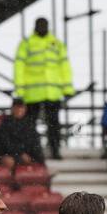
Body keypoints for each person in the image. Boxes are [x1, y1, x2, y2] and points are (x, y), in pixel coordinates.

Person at [12, 18, 73, 160]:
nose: (42, 27)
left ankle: (55, 150)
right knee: (30, 126)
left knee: (53, 125)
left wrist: (67, 87)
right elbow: (19, 66)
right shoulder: (27, 43)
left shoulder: (56, 43)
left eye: (44, 25)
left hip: (52, 93)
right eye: (40, 25)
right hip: (32, 94)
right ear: (35, 26)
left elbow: (65, 66)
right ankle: (33, 152)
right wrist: (20, 89)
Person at [0, 97, 45, 168]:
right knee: (9, 161)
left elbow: (34, 142)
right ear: (12, 109)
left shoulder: (29, 124)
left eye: (21, 108)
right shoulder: (6, 123)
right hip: (8, 154)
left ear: (25, 109)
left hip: (25, 154)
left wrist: (37, 157)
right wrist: (21, 153)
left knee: (38, 160)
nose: (19, 110)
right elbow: (5, 143)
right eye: (17, 108)